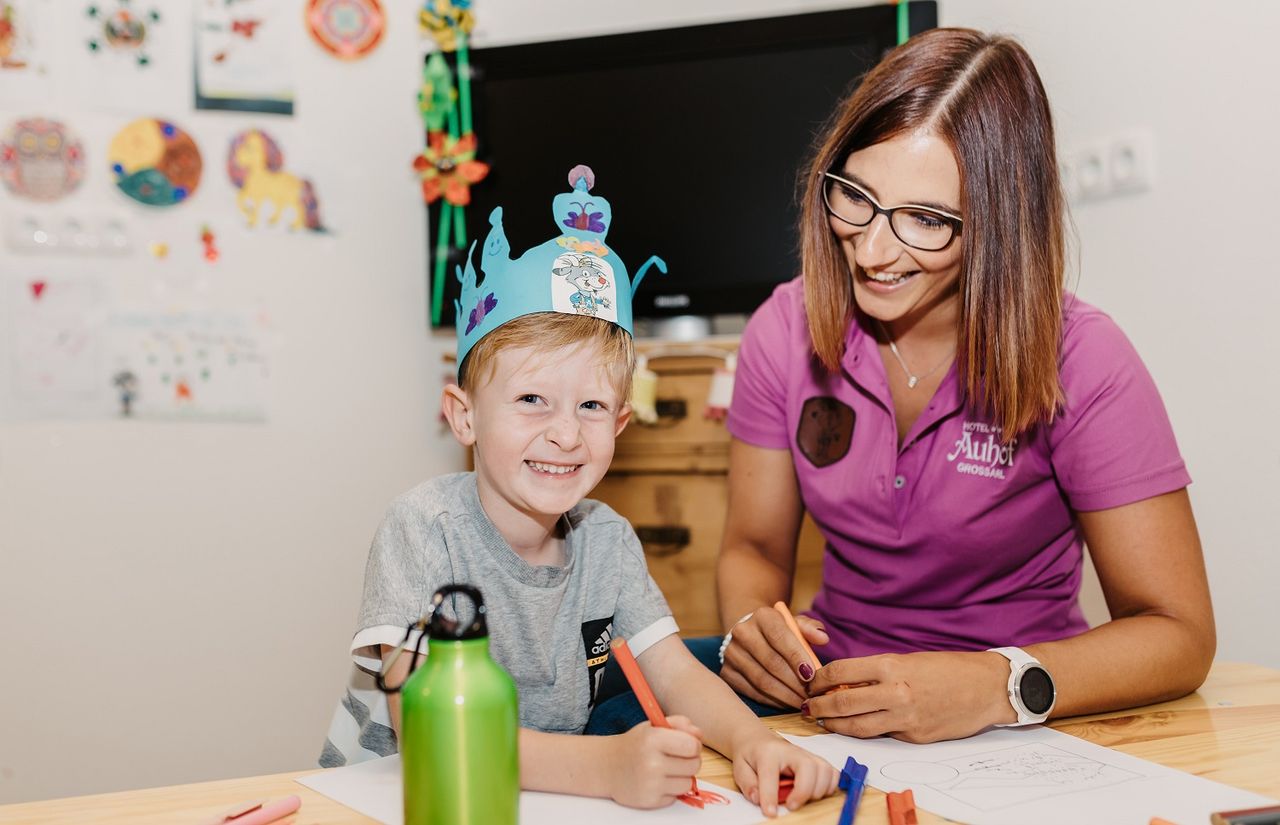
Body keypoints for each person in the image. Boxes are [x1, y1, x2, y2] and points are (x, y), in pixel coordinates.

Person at [715, 28, 1216, 744]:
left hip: (1019, 718)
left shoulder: (1085, 358)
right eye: (855, 196)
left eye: (925, 220)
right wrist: (750, 625)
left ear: (997, 224)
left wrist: (994, 683)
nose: (873, 250)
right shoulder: (782, 327)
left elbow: (1180, 634)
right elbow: (755, 548)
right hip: (830, 701)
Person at [320, 166, 838, 815]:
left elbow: (673, 671)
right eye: (532, 399)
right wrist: (604, 767)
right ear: (463, 415)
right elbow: (426, 728)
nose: (565, 433)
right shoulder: (424, 528)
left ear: (621, 422)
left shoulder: (606, 537)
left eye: (591, 404)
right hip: (402, 801)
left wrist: (755, 742)